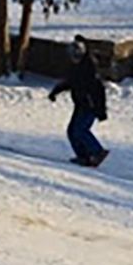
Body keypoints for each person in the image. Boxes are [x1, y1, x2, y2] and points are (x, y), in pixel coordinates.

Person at [48, 35, 108, 167]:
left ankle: (97, 151)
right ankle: (83, 156)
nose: (73, 59)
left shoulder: (90, 69)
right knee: (72, 131)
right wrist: (55, 92)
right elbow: (70, 82)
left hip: (90, 105)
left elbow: (99, 91)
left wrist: (101, 109)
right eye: (71, 56)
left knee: (80, 130)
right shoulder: (76, 68)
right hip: (81, 104)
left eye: (75, 55)